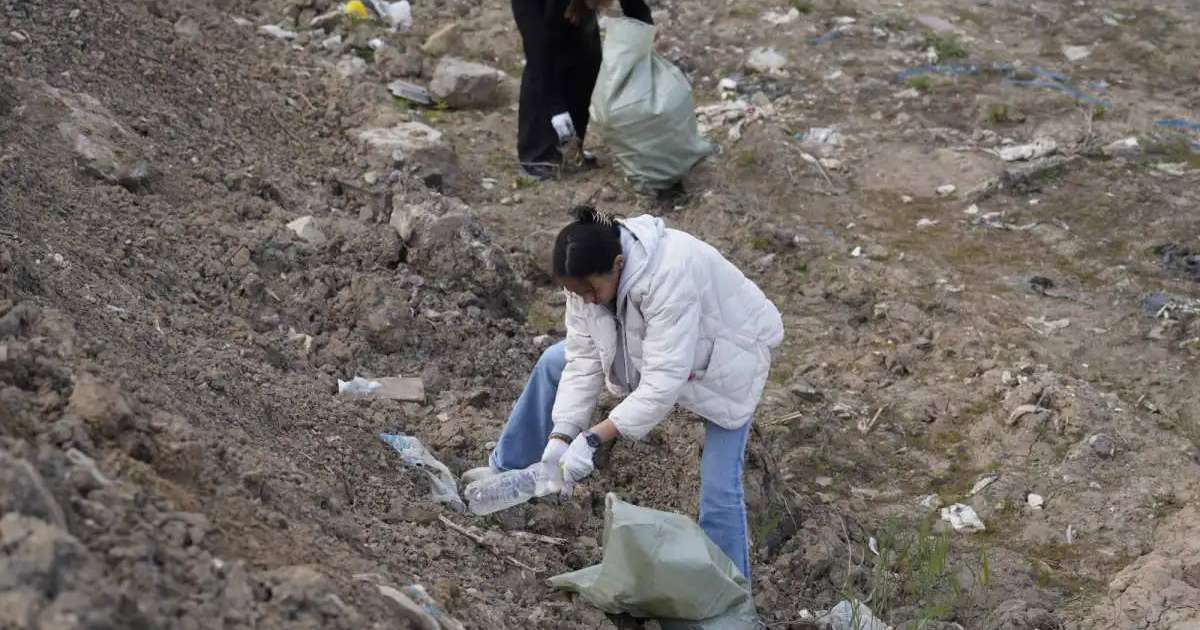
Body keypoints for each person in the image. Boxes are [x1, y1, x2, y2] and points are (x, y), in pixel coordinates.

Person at [464, 206, 784, 579]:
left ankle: (728, 596)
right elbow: (582, 357)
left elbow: (662, 382)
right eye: (575, 292)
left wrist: (593, 439)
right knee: (555, 361)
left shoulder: (670, 273)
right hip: (655, 350)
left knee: (719, 482)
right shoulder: (585, 277)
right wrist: (561, 435)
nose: (584, 299)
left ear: (618, 264)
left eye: (590, 291)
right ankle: (508, 469)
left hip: (727, 354)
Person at [512, 0, 653, 179]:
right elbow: (537, 51)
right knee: (542, 63)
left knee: (587, 54)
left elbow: (636, 8)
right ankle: (537, 156)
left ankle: (571, 145)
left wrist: (645, 39)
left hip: (573, 8)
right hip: (538, 13)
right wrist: (556, 109)